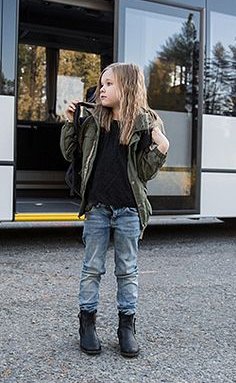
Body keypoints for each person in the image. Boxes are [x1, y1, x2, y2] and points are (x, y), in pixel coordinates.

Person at [60, 62, 169, 357]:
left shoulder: (146, 124)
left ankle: (126, 328)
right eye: (102, 83)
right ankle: (87, 325)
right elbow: (71, 154)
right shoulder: (94, 120)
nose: (102, 89)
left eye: (109, 84)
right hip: (97, 207)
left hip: (129, 211)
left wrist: (161, 148)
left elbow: (144, 173)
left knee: (127, 271)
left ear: (128, 88)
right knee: (91, 268)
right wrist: (70, 123)